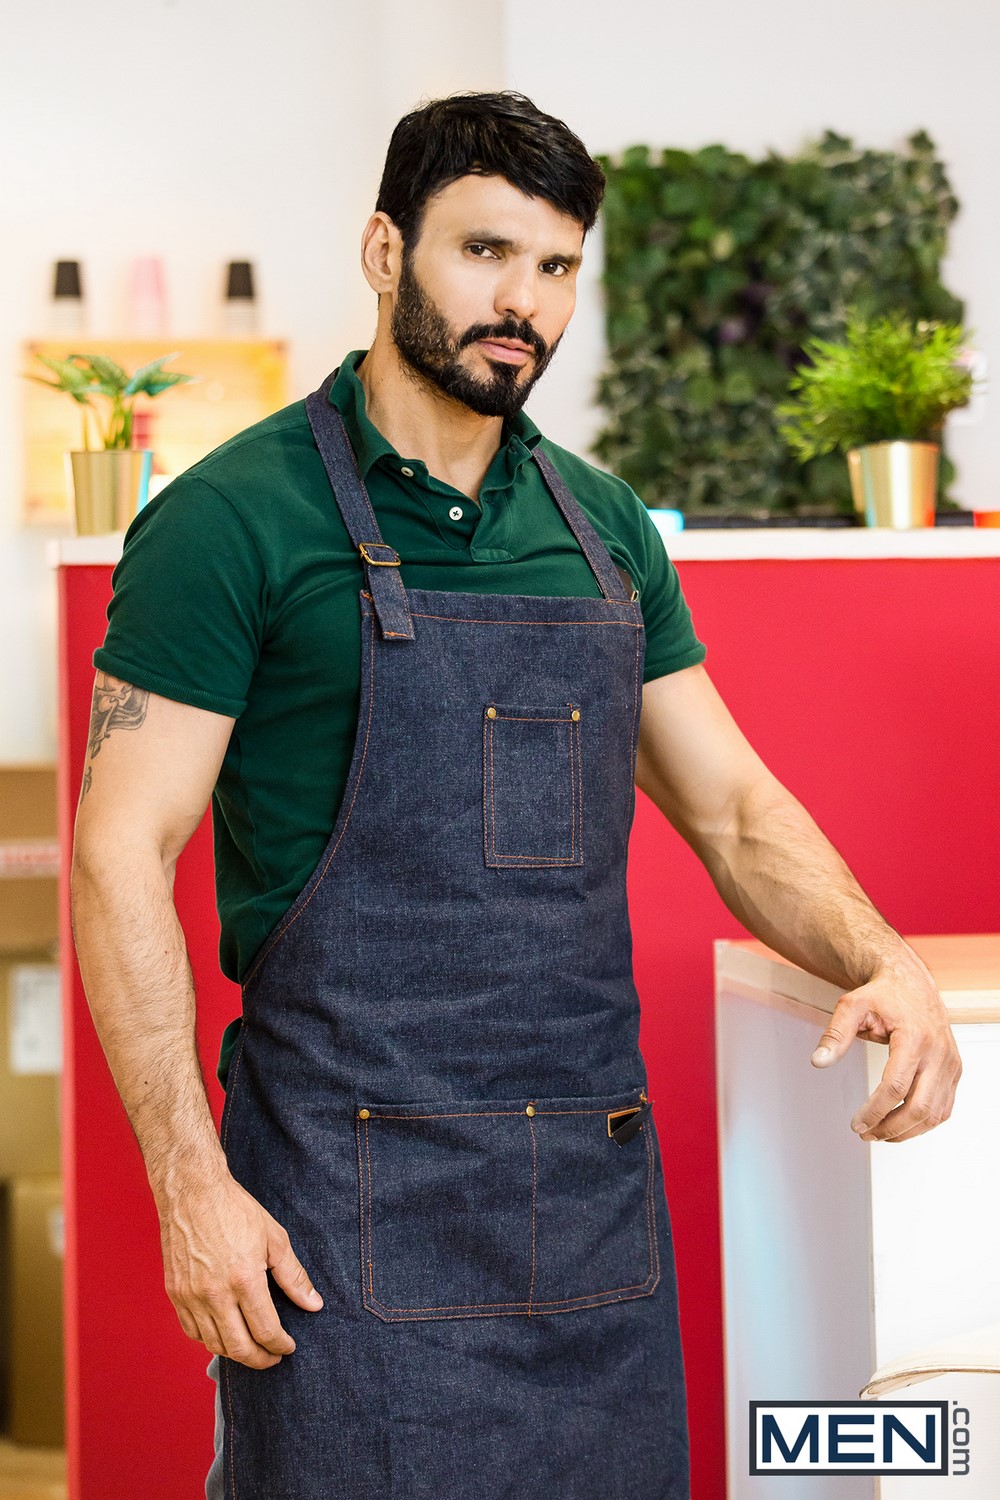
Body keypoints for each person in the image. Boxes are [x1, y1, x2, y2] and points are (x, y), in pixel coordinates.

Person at [70, 91, 962, 1500]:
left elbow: (733, 810)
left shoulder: (602, 530)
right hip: (333, 1220)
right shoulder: (233, 521)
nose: (523, 303)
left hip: (589, 1221)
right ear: (385, 250)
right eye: (485, 252)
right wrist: (191, 1183)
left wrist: (883, 958)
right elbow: (120, 852)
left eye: (555, 267)